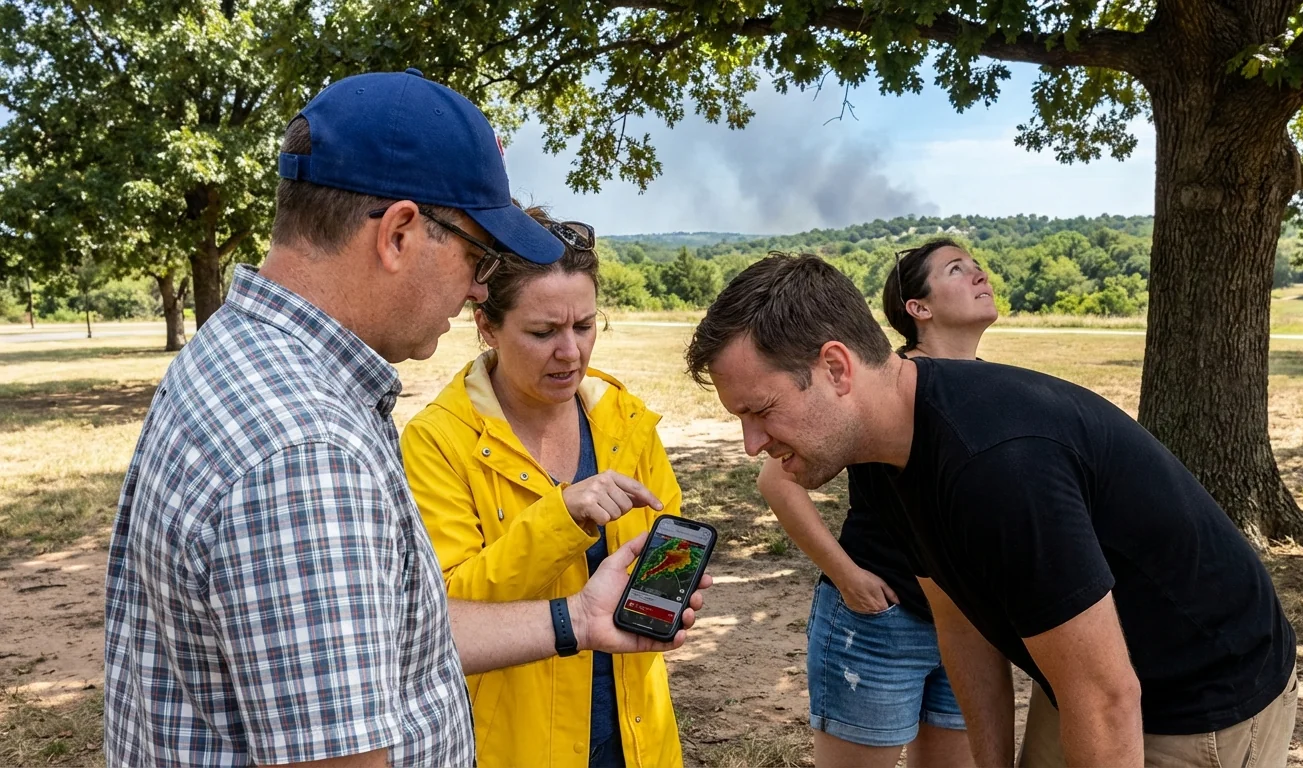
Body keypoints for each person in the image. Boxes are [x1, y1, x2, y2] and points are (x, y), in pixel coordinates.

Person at [103, 69, 708, 768]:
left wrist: (576, 619)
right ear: (398, 233)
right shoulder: (308, 451)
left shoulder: (238, 358)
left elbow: (390, 631)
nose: (479, 287)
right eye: (477, 254)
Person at [685, 253, 1298, 768]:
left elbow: (1108, 699)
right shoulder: (879, 448)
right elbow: (959, 619)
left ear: (836, 369)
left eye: (759, 410)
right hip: (1088, 683)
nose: (752, 444)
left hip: (1201, 699)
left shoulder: (998, 467)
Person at [402, 207, 687, 768]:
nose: (571, 352)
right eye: (543, 332)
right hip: (513, 746)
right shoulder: (437, 441)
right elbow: (441, 618)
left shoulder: (624, 418)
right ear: (486, 325)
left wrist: (675, 583)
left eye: (584, 326)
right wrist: (562, 519)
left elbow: (662, 548)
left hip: (638, 735)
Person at [755, 240, 993, 768]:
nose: (979, 276)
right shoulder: (885, 385)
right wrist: (847, 576)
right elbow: (778, 481)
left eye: (977, 267)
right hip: (883, 624)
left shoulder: (988, 386)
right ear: (918, 308)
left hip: (971, 627)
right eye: (958, 269)